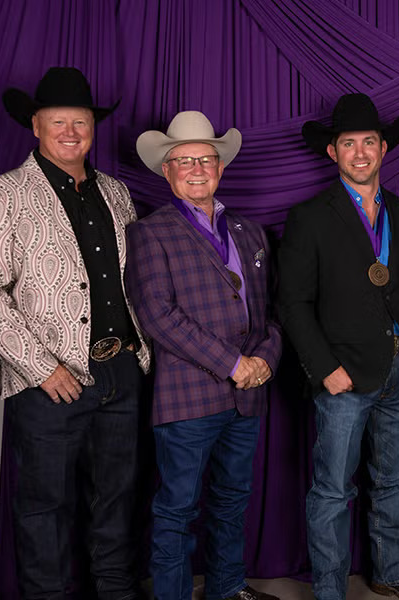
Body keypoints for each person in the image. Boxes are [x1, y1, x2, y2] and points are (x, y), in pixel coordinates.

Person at [0, 67, 150, 599]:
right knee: (45, 506)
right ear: (36, 125)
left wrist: (138, 356)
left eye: (80, 121)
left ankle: (115, 592)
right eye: (58, 121)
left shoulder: (116, 193)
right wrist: (42, 368)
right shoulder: (1, 195)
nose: (71, 132)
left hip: (120, 370)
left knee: (118, 497)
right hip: (49, 381)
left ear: (92, 128)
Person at [278, 93, 399, 600]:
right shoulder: (309, 217)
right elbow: (292, 303)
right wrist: (324, 367)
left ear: (384, 148)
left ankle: (395, 573)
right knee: (332, 489)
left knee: (398, 478)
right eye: (349, 143)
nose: (361, 152)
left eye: (369, 141)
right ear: (333, 152)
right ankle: (330, 590)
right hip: (343, 375)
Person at [126, 111, 282, 600]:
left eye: (206, 159)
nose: (196, 169)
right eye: (184, 161)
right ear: (167, 171)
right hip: (188, 399)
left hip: (248, 396)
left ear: (221, 167)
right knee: (177, 510)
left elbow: (273, 310)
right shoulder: (150, 233)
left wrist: (265, 360)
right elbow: (157, 315)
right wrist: (234, 364)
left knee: (232, 501)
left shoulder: (251, 232)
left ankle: (227, 587)